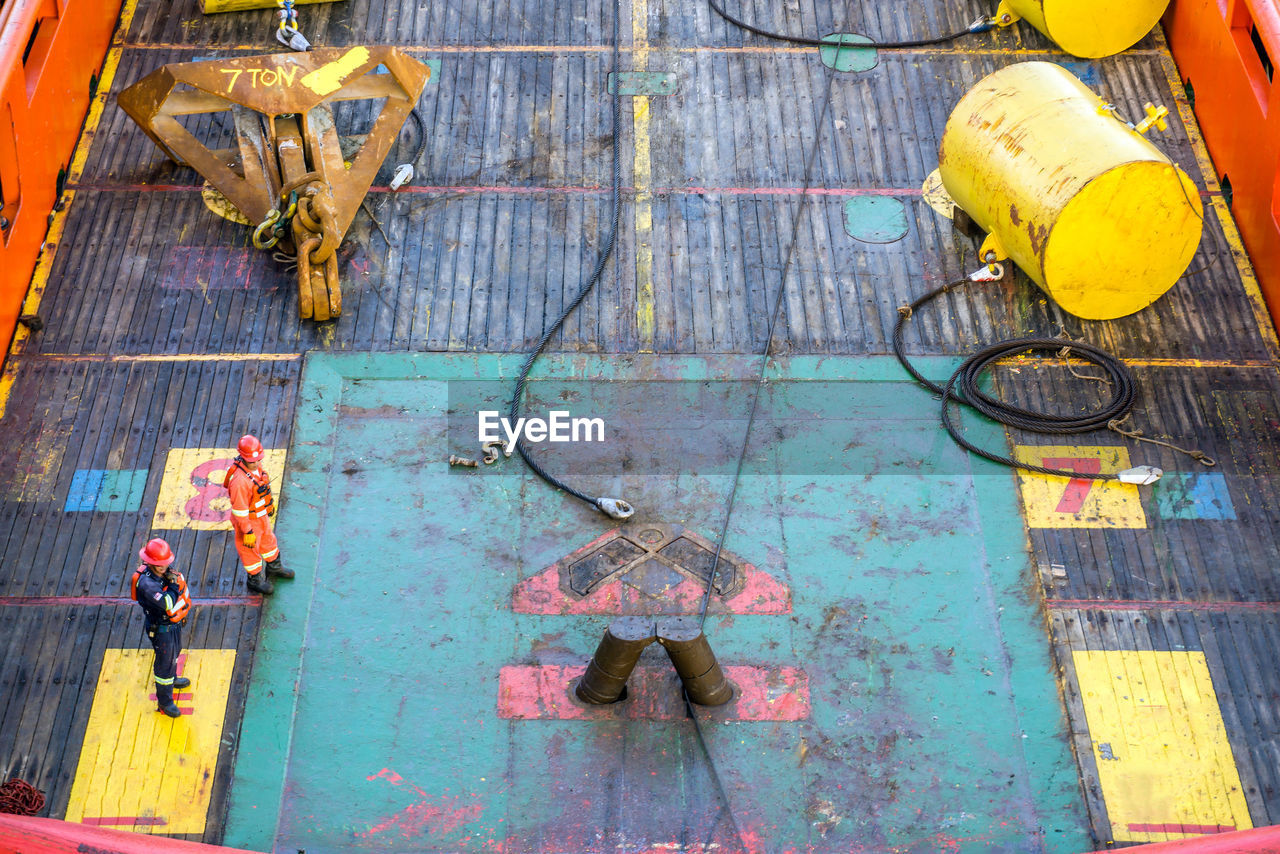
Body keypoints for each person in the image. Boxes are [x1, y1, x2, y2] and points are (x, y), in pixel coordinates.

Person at [223, 434, 293, 595]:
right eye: (252, 461)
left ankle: (274, 567)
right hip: (248, 521)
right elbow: (240, 510)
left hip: (260, 515)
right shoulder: (240, 482)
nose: (256, 464)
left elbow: (262, 487)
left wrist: (269, 505)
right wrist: (247, 531)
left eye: (258, 460)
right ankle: (254, 580)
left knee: (268, 539)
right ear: (243, 457)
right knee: (250, 549)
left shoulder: (255, 468)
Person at [131, 538, 192, 718]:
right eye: (159, 564)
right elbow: (167, 602)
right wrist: (173, 586)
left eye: (166, 563)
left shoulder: (161, 572)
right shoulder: (147, 584)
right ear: (149, 562)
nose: (163, 567)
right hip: (160, 629)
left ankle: (172, 681)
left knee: (175, 652)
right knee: (164, 666)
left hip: (171, 625)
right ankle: (165, 703)